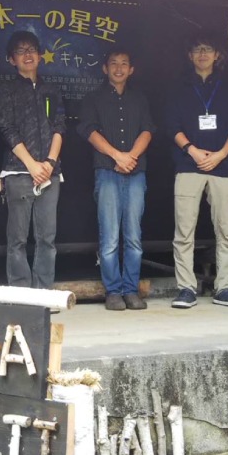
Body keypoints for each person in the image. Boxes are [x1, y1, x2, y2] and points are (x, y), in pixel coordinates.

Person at [166, 34, 228, 308]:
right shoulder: (178, 88)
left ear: (217, 55)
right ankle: (186, 288)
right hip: (189, 164)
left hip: (222, 166)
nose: (202, 53)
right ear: (190, 56)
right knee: (183, 231)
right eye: (197, 49)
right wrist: (192, 150)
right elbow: (172, 127)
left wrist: (222, 154)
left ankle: (225, 287)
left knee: (226, 231)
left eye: (208, 49)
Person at [77, 49, 155, 311]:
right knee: (109, 236)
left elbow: (147, 130)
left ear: (131, 69)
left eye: (124, 64)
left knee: (133, 235)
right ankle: (113, 291)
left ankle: (131, 290)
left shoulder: (140, 98)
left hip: (136, 172)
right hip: (107, 171)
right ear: (104, 68)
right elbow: (88, 131)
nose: (119, 68)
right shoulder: (93, 98)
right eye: (114, 64)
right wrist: (117, 156)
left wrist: (130, 156)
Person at [0, 30, 65, 289]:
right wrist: (32, 165)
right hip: (18, 172)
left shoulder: (52, 89)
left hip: (50, 172)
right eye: (21, 51)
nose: (28, 55)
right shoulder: (5, 90)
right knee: (18, 239)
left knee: (47, 238)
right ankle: (22, 294)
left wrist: (49, 163)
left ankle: (44, 293)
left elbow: (60, 127)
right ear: (11, 59)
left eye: (32, 49)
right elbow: (6, 129)